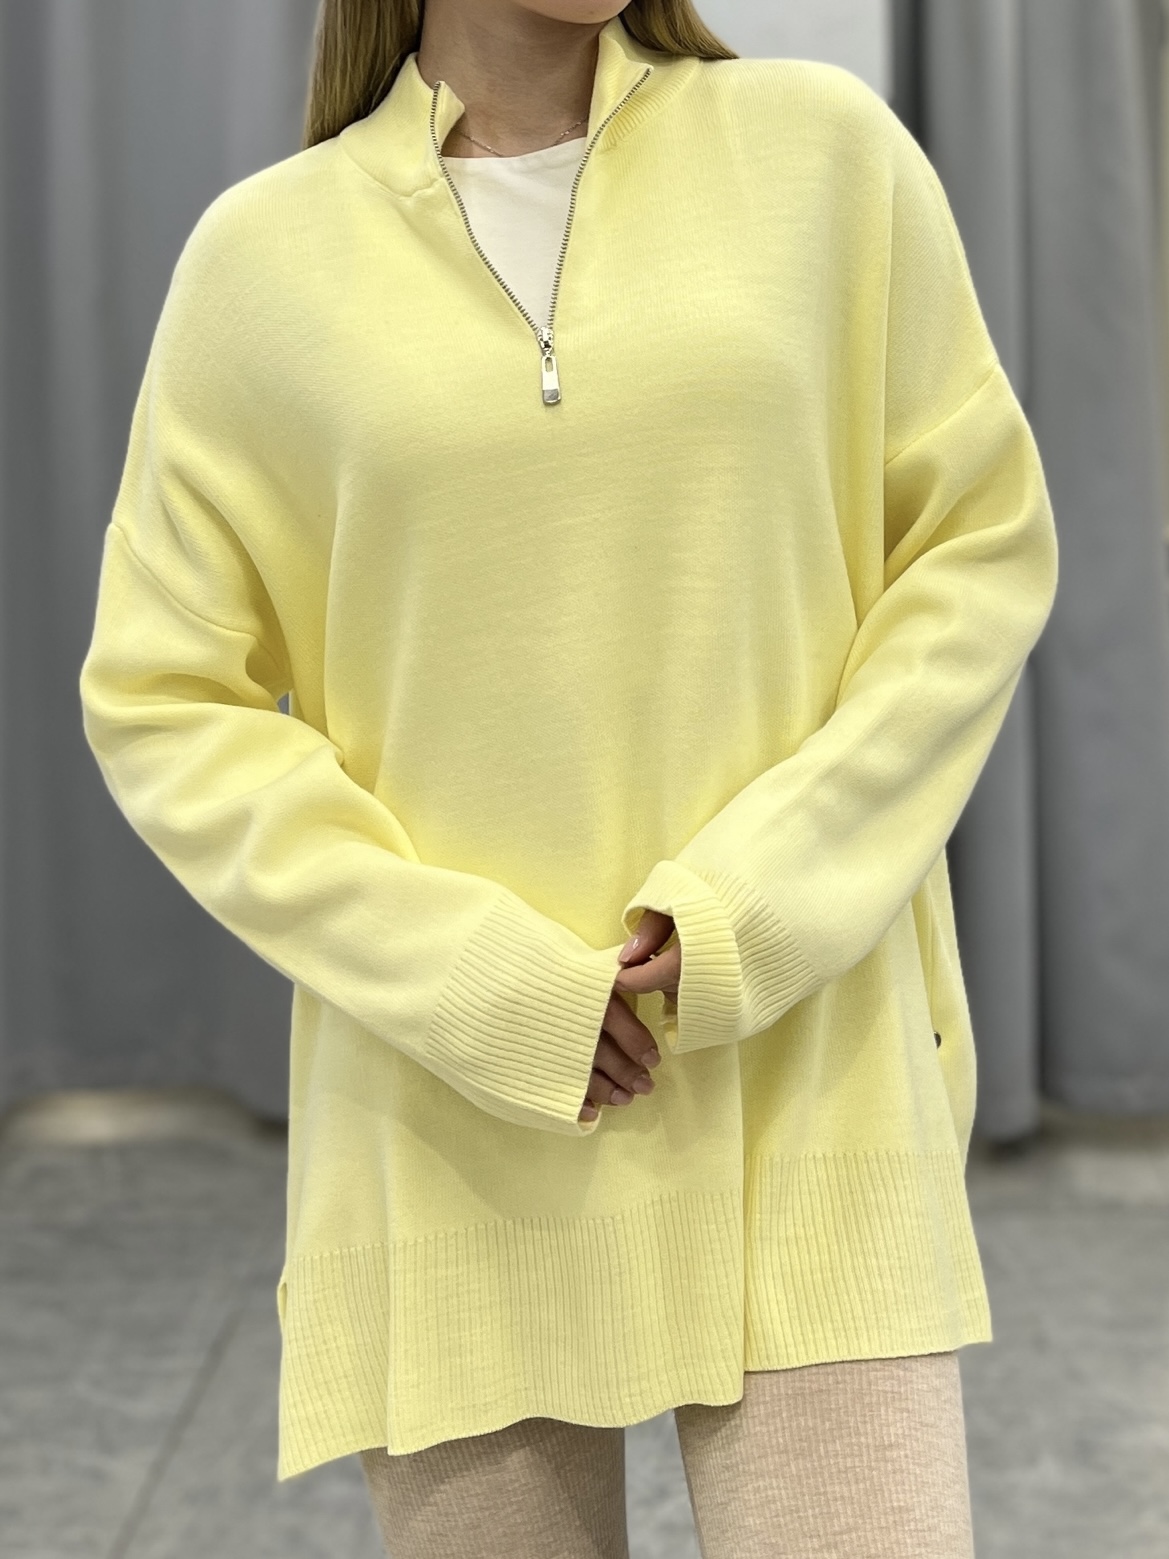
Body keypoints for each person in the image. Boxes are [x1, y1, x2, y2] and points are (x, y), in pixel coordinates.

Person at [78, 0, 1059, 1554]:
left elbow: (972, 551)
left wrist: (759, 901)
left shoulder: (823, 156)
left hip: (808, 1087)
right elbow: (164, 697)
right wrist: (474, 977)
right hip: (448, 1124)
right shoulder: (263, 261)